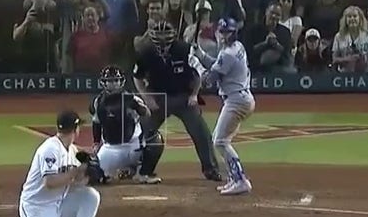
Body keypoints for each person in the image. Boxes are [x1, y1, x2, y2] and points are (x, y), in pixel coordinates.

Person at [133, 18, 222, 181]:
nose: (162, 45)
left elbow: (197, 74)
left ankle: (210, 168)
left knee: (200, 132)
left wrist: (194, 94)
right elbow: (137, 77)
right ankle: (132, 168)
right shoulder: (146, 52)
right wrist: (147, 97)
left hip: (183, 97)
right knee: (140, 132)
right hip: (158, 98)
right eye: (158, 39)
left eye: (165, 41)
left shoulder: (184, 49)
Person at [192, 18, 256, 196]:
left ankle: (240, 180)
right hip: (241, 98)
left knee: (220, 141)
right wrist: (200, 54)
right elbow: (216, 63)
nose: (223, 35)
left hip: (237, 101)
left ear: (234, 33)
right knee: (222, 141)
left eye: (227, 32)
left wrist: (195, 63)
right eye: (221, 32)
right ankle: (235, 178)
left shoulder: (228, 53)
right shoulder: (237, 48)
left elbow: (208, 80)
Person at [89, 65, 165, 184]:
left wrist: (139, 110)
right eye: (109, 81)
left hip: (133, 147)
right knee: (93, 176)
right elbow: (96, 122)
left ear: (121, 81)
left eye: (115, 80)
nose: (113, 84)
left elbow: (147, 115)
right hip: (110, 149)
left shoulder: (132, 99)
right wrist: (96, 142)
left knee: (156, 139)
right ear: (103, 83)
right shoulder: (98, 102)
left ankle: (143, 173)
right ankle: (126, 169)